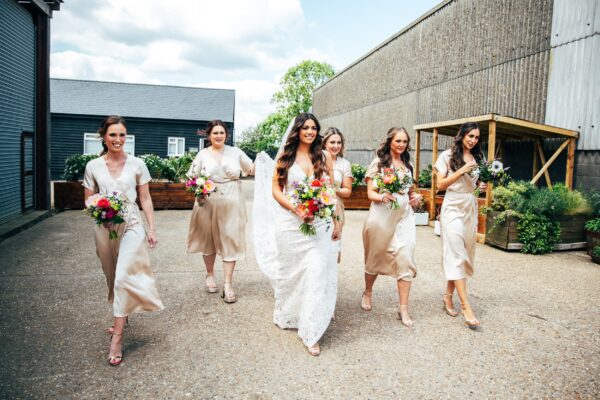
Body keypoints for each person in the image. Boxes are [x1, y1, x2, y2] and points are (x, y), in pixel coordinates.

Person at [254, 112, 341, 356]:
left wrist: (336, 221)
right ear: (298, 131)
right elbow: (275, 189)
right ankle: (290, 312)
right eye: (306, 128)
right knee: (292, 273)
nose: (310, 132)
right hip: (290, 225)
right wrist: (296, 208)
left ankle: (311, 331)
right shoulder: (286, 156)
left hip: (319, 226)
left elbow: (330, 191)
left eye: (314, 128)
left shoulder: (324, 156)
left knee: (316, 272)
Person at [83, 115, 164, 366]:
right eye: (113, 135)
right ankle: (123, 312)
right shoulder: (93, 166)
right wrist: (100, 212)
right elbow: (88, 199)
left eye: (121, 135)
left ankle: (117, 337)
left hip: (131, 223)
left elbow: (146, 199)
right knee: (111, 274)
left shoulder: (138, 164)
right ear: (104, 137)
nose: (118, 139)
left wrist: (151, 228)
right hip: (104, 225)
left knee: (123, 276)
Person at [186, 120, 254, 303]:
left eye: (221, 133)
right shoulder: (202, 154)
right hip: (207, 201)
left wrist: (266, 162)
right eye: (215, 133)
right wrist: (198, 189)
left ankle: (228, 284)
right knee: (208, 239)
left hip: (232, 200)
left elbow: (252, 168)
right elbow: (191, 178)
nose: (218, 136)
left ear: (226, 135)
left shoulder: (236, 152)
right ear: (209, 135)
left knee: (230, 239)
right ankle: (209, 275)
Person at [361, 127, 422, 328]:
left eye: (405, 141)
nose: (402, 145)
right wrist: (382, 196)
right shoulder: (378, 164)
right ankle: (368, 291)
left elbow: (410, 192)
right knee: (375, 257)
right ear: (390, 142)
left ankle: (403, 308)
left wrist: (415, 198)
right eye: (398, 141)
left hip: (404, 218)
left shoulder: (409, 165)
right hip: (381, 216)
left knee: (406, 258)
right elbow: (370, 193)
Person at [433, 121, 487, 329]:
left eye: (476, 137)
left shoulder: (478, 158)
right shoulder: (446, 156)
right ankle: (466, 305)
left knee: (463, 254)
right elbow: (440, 185)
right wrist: (462, 170)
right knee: (456, 254)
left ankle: (448, 296)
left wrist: (479, 186)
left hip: (469, 207)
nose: (473, 140)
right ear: (462, 135)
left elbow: (474, 186)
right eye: (470, 136)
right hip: (452, 207)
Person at [322, 127, 354, 262]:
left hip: (337, 208)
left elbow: (347, 191)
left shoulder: (344, 164)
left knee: (334, 244)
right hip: (317, 206)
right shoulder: (315, 160)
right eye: (332, 142)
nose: (336, 146)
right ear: (324, 143)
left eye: (339, 143)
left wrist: (332, 189)